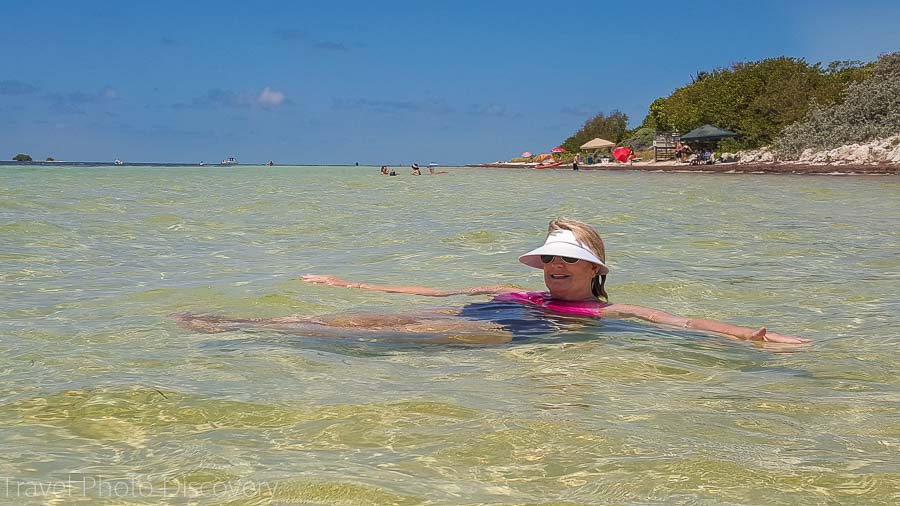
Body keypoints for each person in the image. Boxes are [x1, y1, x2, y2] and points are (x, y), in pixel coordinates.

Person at [174, 219, 810, 345]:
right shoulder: (519, 290)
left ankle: (246, 331)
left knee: (380, 338)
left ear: (596, 271)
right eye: (549, 261)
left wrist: (752, 336)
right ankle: (247, 327)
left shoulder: (603, 314)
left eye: (568, 262)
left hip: (498, 340)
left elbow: (679, 323)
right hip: (476, 317)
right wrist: (345, 283)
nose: (556, 268)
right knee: (378, 323)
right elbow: (429, 295)